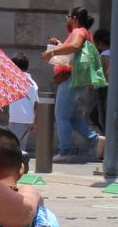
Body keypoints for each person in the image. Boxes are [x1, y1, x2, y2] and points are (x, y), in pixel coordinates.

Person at [40, 8, 101, 162]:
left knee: (61, 116)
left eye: (68, 17)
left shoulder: (79, 31)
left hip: (70, 79)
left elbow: (74, 46)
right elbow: (73, 51)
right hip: (76, 79)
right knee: (70, 117)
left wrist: (52, 52)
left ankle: (65, 151)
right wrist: (59, 45)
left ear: (74, 18)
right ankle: (96, 139)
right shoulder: (83, 33)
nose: (66, 20)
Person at [6, 55, 38, 155]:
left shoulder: (14, 80)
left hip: (17, 117)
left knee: (13, 147)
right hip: (28, 119)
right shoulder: (33, 83)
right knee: (21, 147)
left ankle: (18, 167)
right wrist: (34, 121)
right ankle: (22, 166)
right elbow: (36, 103)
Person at [85, 28, 112, 135]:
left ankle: (110, 140)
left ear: (100, 43)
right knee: (95, 116)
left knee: (102, 118)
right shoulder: (112, 53)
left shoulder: (105, 55)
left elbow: (107, 72)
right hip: (105, 89)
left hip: (104, 90)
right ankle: (108, 138)